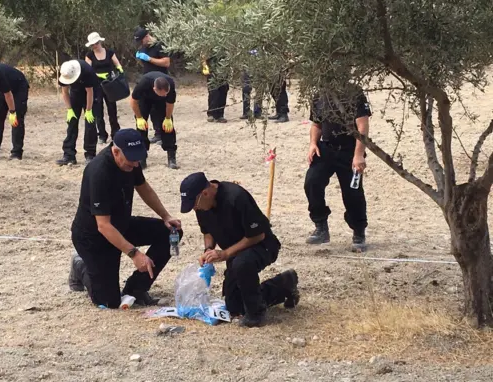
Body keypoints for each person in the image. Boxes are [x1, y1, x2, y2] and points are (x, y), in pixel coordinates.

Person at [69, 128, 183, 308]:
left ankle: (136, 289)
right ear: (116, 151)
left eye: (138, 159)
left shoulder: (130, 161)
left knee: (169, 232)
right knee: (108, 302)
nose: (136, 165)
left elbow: (143, 187)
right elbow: (103, 226)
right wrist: (134, 253)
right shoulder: (99, 172)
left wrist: (165, 216)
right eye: (132, 160)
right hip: (94, 238)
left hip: (121, 225)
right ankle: (80, 266)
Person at [180, 172, 300, 328]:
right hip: (235, 252)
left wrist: (225, 254)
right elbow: (207, 231)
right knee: (234, 306)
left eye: (195, 204)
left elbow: (257, 235)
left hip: (261, 245)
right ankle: (284, 284)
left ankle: (256, 314)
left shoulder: (236, 197)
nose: (195, 208)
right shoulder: (202, 206)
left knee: (242, 264)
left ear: (205, 193)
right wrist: (208, 250)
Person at [304, 83, 371, 252]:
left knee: (352, 193)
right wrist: (313, 143)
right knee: (312, 182)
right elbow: (316, 124)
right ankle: (321, 226)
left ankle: (358, 231)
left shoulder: (354, 93)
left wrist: (358, 155)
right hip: (325, 148)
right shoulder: (320, 93)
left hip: (349, 150)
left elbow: (362, 126)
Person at [129, 72, 178, 170]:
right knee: (142, 128)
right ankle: (141, 158)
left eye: (166, 94)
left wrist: (168, 118)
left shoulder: (170, 84)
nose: (165, 95)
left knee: (168, 128)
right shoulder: (143, 83)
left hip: (161, 103)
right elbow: (133, 101)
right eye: (162, 94)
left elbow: (170, 103)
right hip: (145, 100)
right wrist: (139, 118)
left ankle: (171, 157)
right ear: (154, 89)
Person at [55, 59, 100, 166]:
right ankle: (69, 155)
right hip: (75, 94)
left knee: (90, 124)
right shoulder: (64, 73)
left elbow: (90, 92)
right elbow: (65, 92)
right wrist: (69, 109)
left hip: (92, 94)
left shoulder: (86, 71)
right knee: (71, 123)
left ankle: (90, 154)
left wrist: (88, 111)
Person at [84, 32, 123, 144]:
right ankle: (102, 134)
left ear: (99, 42)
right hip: (97, 85)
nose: (94, 46)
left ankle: (115, 133)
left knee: (112, 110)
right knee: (98, 111)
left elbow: (117, 63)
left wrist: (120, 70)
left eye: (95, 44)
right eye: (92, 45)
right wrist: (95, 75)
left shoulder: (110, 52)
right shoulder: (89, 55)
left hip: (109, 84)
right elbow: (88, 69)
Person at [134, 27, 171, 146]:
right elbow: (144, 64)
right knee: (151, 110)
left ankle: (164, 134)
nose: (141, 43)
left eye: (141, 40)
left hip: (161, 81)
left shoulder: (160, 45)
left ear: (147, 36)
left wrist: (149, 59)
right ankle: (157, 133)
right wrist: (140, 58)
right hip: (148, 81)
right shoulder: (143, 48)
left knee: (161, 108)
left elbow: (166, 62)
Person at [202, 57, 228, 123]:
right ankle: (211, 113)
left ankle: (220, 115)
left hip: (223, 70)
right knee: (213, 92)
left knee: (223, 91)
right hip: (212, 71)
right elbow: (203, 54)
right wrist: (205, 66)